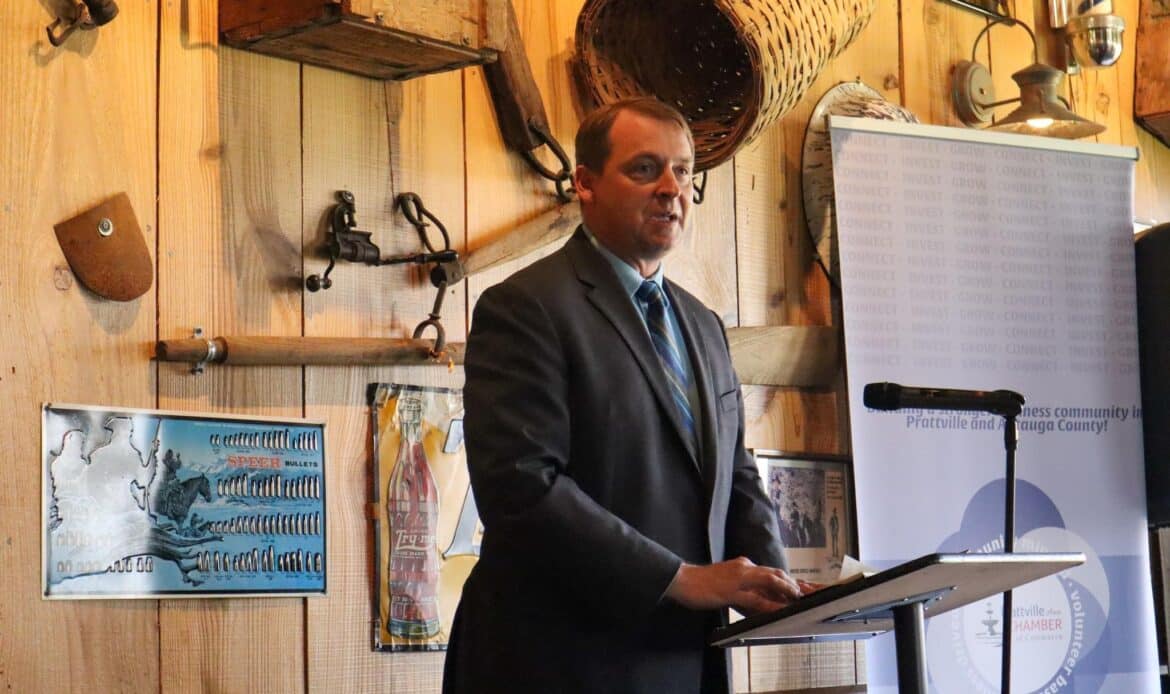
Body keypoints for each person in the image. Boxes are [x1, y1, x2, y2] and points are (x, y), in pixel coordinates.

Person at [443, 96, 800, 694]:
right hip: (557, 663)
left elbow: (735, 473)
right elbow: (522, 487)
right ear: (585, 183)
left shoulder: (704, 325)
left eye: (683, 171)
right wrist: (680, 578)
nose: (671, 189)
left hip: (685, 661)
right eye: (645, 169)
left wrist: (782, 587)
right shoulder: (525, 308)